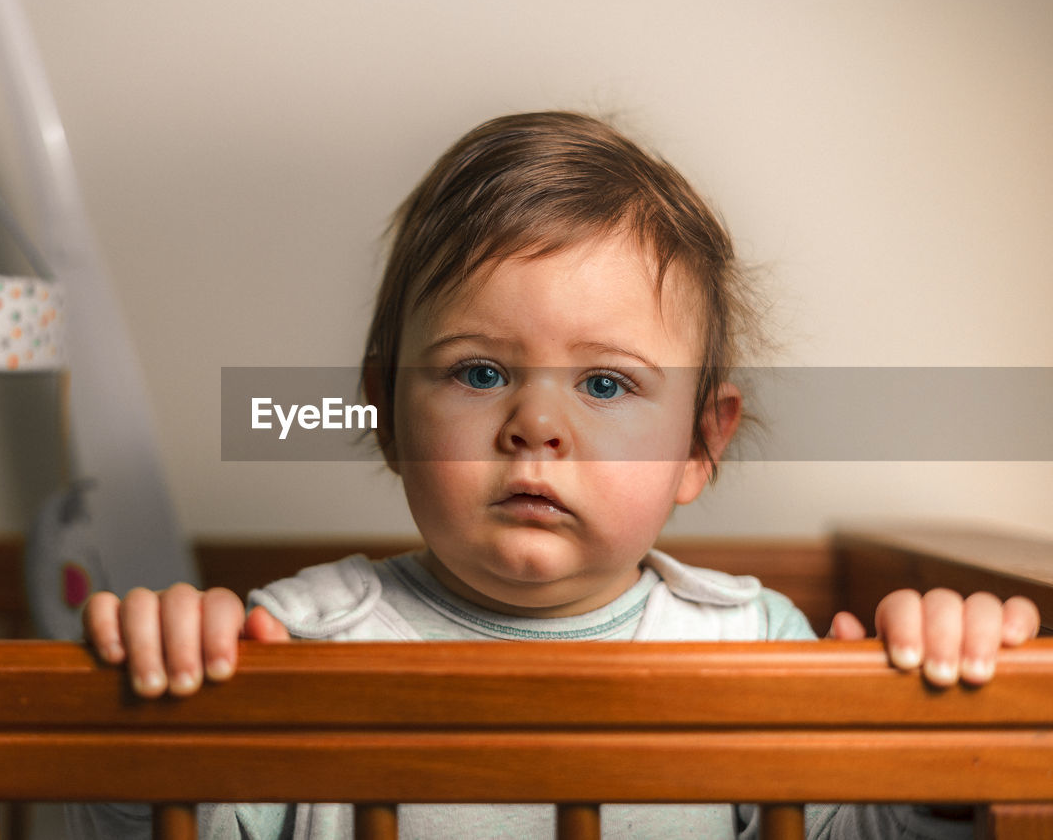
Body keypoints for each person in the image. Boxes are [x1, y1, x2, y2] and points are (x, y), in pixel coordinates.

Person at [72, 111, 1040, 839]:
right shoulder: (285, 643)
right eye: (478, 371)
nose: (535, 424)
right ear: (385, 411)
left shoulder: (749, 647)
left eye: (606, 382)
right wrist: (155, 709)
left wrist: (933, 746)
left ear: (699, 446)